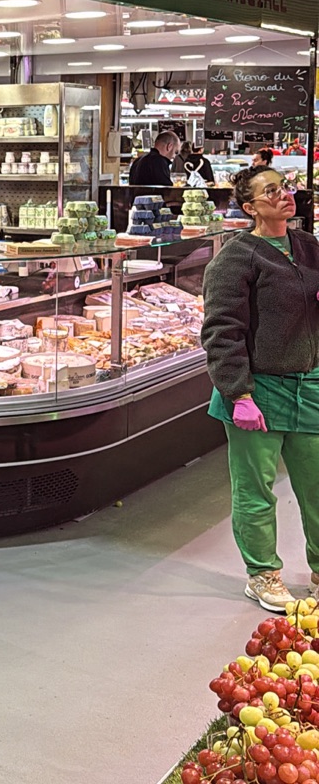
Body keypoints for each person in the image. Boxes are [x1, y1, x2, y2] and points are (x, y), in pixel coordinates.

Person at [201, 165, 319, 611]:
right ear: (250, 207)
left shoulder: (307, 246)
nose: (285, 195)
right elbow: (221, 330)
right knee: (256, 492)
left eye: (285, 187)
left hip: (310, 385)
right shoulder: (236, 257)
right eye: (272, 191)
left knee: (317, 488)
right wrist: (238, 394)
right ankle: (262, 574)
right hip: (259, 390)